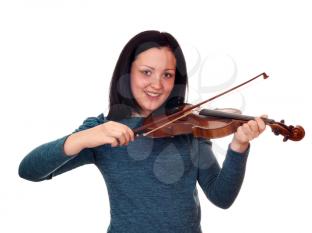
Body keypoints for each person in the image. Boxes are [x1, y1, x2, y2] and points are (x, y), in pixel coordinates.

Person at [18, 30, 267, 233]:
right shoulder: (105, 130)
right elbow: (29, 171)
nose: (157, 85)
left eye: (167, 75)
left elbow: (221, 197)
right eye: (146, 72)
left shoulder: (189, 125)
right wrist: (83, 138)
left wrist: (239, 146)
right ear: (127, 73)